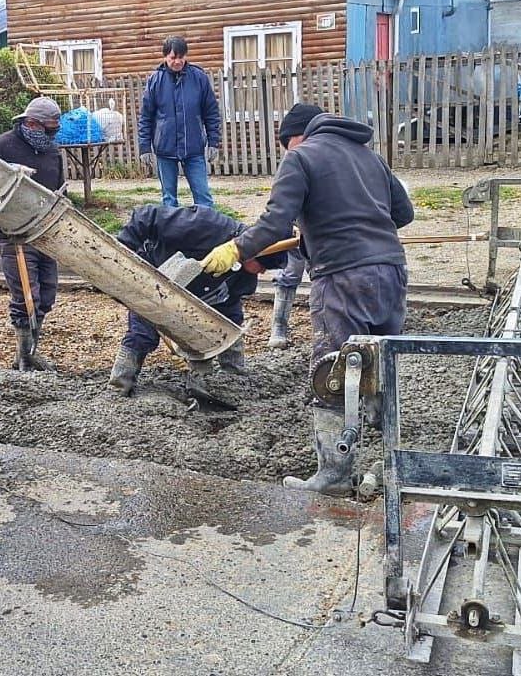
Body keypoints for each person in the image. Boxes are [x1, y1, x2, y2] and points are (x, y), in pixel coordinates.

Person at [201, 108, 414, 495]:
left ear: (296, 137)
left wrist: (235, 248)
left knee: (333, 372)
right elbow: (404, 213)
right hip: (391, 271)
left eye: (286, 145)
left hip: (343, 277)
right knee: (381, 367)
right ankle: (389, 465)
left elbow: (275, 222)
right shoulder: (370, 157)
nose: (286, 152)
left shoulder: (301, 156)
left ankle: (333, 476)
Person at [107, 204, 287, 397]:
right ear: (252, 252)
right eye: (262, 266)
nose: (262, 272)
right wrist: (122, 256)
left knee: (214, 325)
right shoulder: (206, 226)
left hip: (197, 292)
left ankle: (214, 380)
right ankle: (119, 387)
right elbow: (146, 216)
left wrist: (234, 371)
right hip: (157, 275)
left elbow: (229, 313)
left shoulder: (241, 275)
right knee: (143, 334)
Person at [0, 97, 66, 370]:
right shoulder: (0, 147)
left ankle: (32, 351)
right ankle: (23, 356)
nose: (52, 136)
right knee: (25, 297)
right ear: (31, 123)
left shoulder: (52, 153)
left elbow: (59, 191)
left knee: (46, 294)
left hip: (44, 234)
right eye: (49, 130)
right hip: (13, 235)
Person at [138, 36, 221, 208]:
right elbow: (146, 117)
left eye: (181, 57)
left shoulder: (199, 78)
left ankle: (208, 231)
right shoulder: (155, 81)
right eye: (173, 57)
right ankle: (172, 233)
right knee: (169, 199)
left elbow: (211, 112)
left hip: (194, 147)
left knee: (203, 197)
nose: (178, 61)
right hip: (165, 147)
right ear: (165, 57)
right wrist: (144, 147)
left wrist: (214, 141)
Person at [267, 103, 322, 349]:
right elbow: (280, 207)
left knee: (320, 275)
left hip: (322, 235)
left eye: (291, 142)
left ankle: (323, 330)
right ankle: (279, 325)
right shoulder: (295, 162)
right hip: (298, 230)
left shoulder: (328, 158)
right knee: (289, 274)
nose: (290, 151)